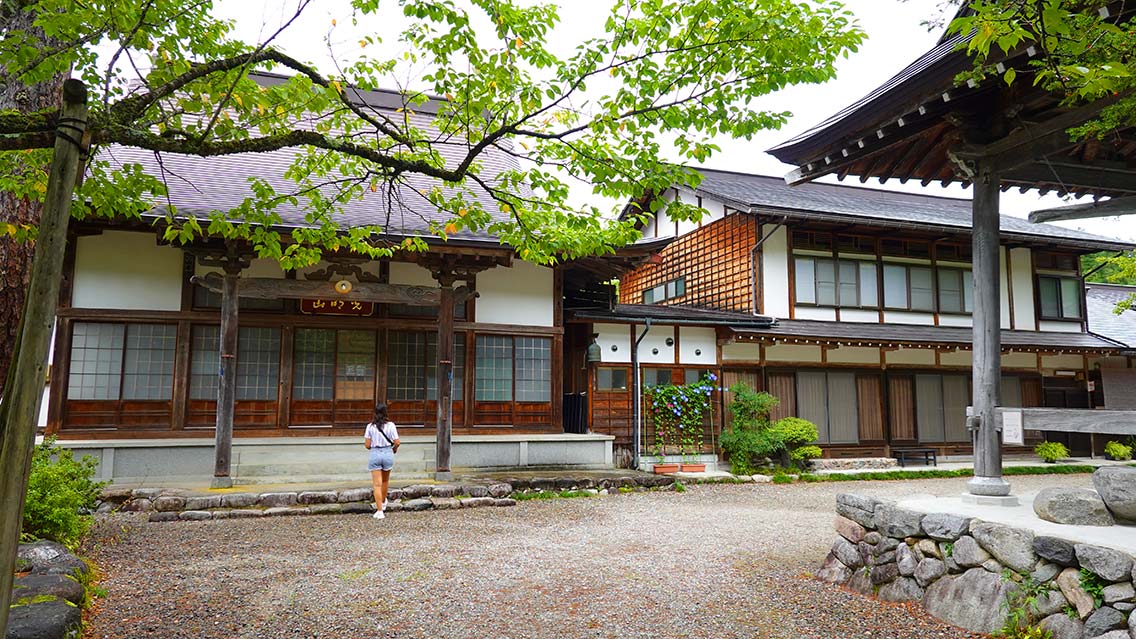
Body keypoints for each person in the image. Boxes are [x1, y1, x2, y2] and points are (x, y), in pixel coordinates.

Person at [363, 403, 399, 519]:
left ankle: (379, 511)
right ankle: (383, 503)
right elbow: (397, 441)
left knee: (376, 484)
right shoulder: (391, 425)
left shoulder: (370, 426)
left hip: (375, 453)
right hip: (388, 452)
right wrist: (394, 449)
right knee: (385, 481)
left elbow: (367, 445)